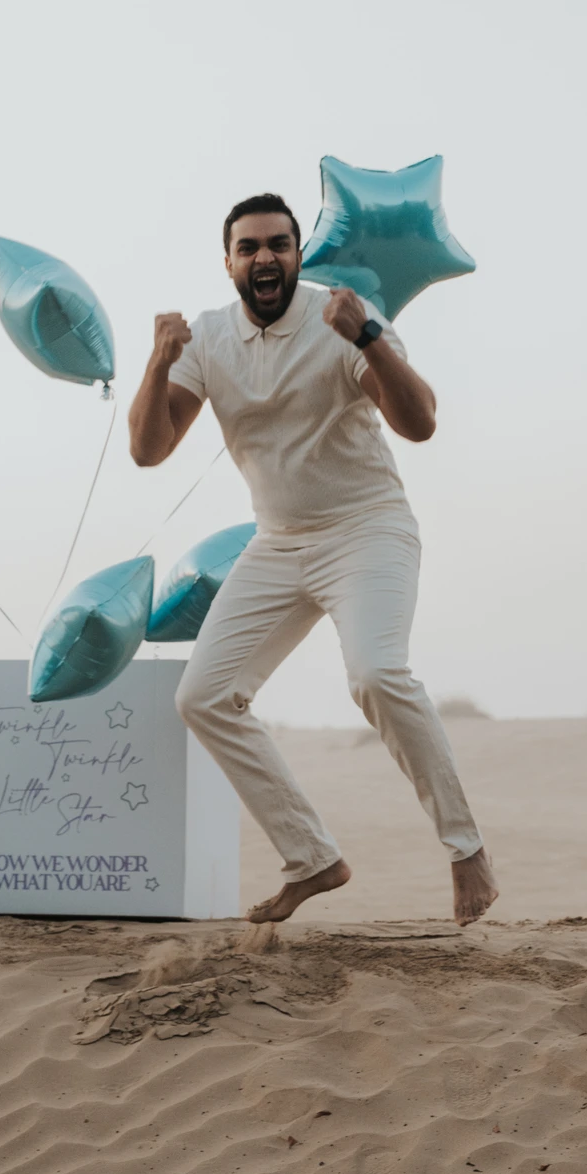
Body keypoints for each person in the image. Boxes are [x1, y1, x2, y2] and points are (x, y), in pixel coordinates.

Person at [128, 194, 497, 926]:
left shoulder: (341, 318)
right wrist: (157, 360)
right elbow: (148, 449)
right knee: (202, 697)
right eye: (248, 247)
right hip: (277, 541)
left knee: (376, 676)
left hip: (367, 529)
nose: (263, 257)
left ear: (297, 254)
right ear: (229, 262)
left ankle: (466, 851)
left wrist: (368, 340)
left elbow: (419, 424)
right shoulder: (205, 339)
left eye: (277, 244)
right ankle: (312, 858)